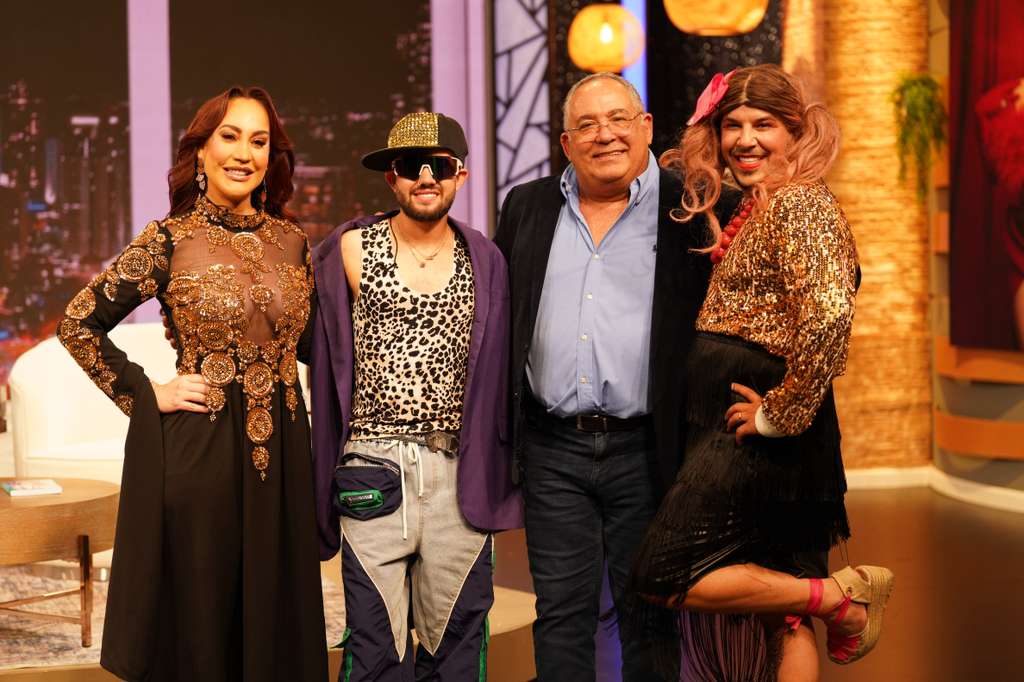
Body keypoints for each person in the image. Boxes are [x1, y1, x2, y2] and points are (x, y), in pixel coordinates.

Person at [627, 64, 894, 681]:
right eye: (733, 125)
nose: (745, 140)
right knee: (784, 615)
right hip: (747, 423)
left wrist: (779, 414)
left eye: (764, 125)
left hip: (759, 430)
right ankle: (829, 600)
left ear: (796, 132)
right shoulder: (760, 204)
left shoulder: (800, 203)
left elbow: (828, 316)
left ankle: (840, 598)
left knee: (665, 572)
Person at [57, 86, 326, 680]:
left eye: (259, 141)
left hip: (283, 462)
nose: (243, 153)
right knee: (201, 619)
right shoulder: (170, 239)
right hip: (200, 456)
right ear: (200, 150)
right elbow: (77, 324)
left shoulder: (294, 243)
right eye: (229, 136)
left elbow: (317, 348)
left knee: (276, 621)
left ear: (272, 157)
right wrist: (145, 392)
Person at [494, 72, 739, 680]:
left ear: (646, 128)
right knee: (560, 616)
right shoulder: (527, 206)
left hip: (650, 449)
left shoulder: (697, 208)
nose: (604, 135)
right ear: (566, 142)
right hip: (553, 449)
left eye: (618, 119)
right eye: (586, 125)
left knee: (651, 615)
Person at [309, 112, 522, 681]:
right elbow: (306, 341)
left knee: (457, 650)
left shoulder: (485, 259)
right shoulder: (349, 250)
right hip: (372, 467)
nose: (426, 177)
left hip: (460, 475)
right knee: (373, 651)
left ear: (461, 175)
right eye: (411, 166)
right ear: (393, 178)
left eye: (440, 166)